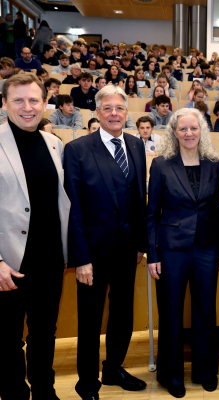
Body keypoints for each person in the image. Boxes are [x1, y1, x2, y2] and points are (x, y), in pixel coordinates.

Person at [64, 85, 148, 400]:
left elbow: (139, 197)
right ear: (97, 113)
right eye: (108, 108)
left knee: (122, 315)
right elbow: (73, 208)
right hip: (92, 255)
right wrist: (81, 258)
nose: (114, 113)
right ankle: (87, 383)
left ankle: (113, 367)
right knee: (89, 321)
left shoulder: (137, 145)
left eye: (119, 108)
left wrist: (141, 243)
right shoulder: (77, 149)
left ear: (127, 113)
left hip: (128, 251)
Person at [0, 74, 70, 400]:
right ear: (4, 103)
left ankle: (45, 391)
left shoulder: (54, 143)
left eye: (33, 101)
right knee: (7, 337)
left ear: (44, 104)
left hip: (50, 259)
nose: (27, 108)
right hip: (9, 263)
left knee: (45, 333)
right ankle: (15, 393)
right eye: (18, 100)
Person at [146, 108, 219, 398]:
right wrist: (153, 255)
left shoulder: (214, 163)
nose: (189, 134)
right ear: (174, 132)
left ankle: (205, 371)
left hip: (207, 246)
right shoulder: (162, 164)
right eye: (183, 129)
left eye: (194, 128)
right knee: (171, 312)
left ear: (201, 130)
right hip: (171, 248)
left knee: (205, 311)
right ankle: (171, 374)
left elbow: (216, 210)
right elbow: (152, 213)